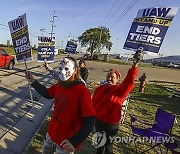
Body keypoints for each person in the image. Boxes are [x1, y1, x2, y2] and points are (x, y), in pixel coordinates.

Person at [25, 56, 95, 153]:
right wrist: (33, 81)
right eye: (60, 68)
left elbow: (90, 121)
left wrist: (75, 141)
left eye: (66, 68)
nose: (62, 72)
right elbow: (47, 93)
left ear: (75, 70)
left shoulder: (82, 91)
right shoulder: (59, 85)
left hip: (66, 140)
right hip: (52, 133)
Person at [92, 50, 143, 154]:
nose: (110, 78)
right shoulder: (100, 89)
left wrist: (135, 66)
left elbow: (128, 82)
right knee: (99, 143)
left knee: (108, 146)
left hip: (110, 124)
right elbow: (93, 103)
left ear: (117, 79)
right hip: (98, 121)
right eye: (108, 76)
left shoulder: (119, 90)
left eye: (112, 77)